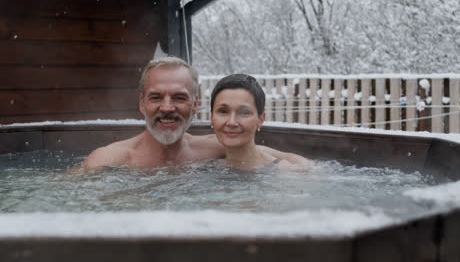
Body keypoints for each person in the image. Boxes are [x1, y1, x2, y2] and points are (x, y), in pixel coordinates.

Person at [83, 56, 306, 169]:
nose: (167, 107)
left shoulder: (215, 147)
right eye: (156, 97)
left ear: (195, 104)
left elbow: (283, 160)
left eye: (179, 97)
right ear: (142, 103)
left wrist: (307, 172)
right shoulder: (109, 161)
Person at [210, 74, 308, 170]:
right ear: (211, 117)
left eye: (244, 112)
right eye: (223, 111)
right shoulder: (208, 167)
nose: (231, 122)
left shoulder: (285, 172)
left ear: (260, 120)